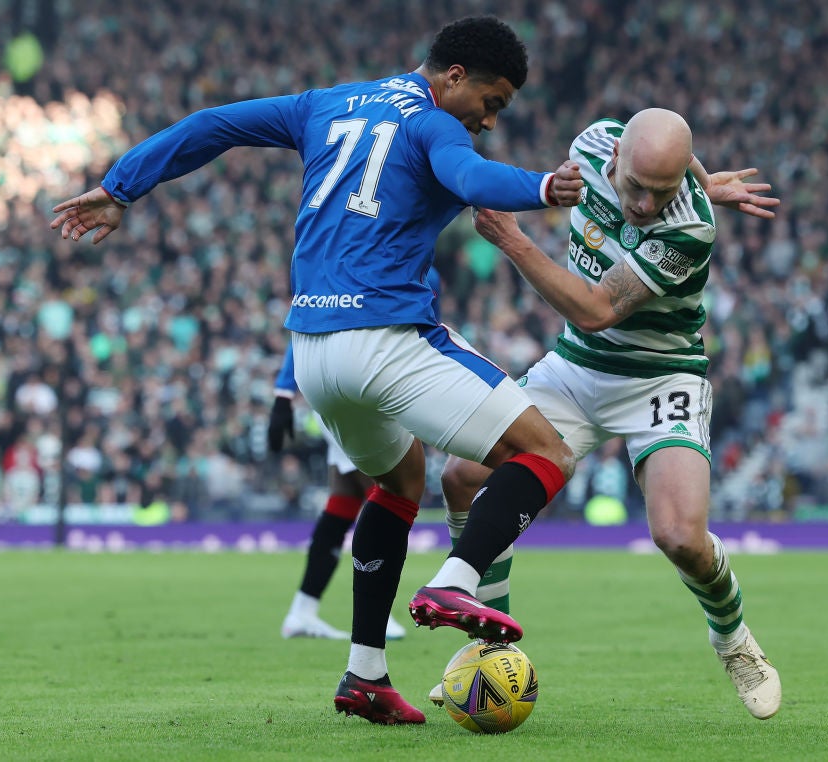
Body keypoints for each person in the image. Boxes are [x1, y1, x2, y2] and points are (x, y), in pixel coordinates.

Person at [50, 15, 583, 726]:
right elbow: (471, 175)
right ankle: (457, 582)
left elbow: (213, 124)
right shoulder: (434, 125)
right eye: (493, 102)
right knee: (546, 450)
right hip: (386, 336)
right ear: (453, 77)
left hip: (315, 353)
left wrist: (120, 188)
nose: (488, 119)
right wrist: (544, 185)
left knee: (399, 483)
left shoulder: (325, 103)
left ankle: (365, 673)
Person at [437, 109, 783, 720]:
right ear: (615, 157)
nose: (647, 206)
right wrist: (698, 176)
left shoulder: (690, 231)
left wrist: (515, 240)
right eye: (637, 187)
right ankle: (485, 650)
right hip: (576, 368)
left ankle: (732, 638)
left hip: (659, 377)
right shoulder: (592, 141)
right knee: (463, 477)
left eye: (665, 190)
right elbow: (589, 328)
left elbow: (597, 309)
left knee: (679, 537)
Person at [271, 342, 406, 642]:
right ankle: (377, 614)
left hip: (339, 388)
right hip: (346, 391)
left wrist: (283, 393)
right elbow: (303, 323)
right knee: (386, 494)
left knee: (345, 499)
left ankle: (302, 610)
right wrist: (282, 392)